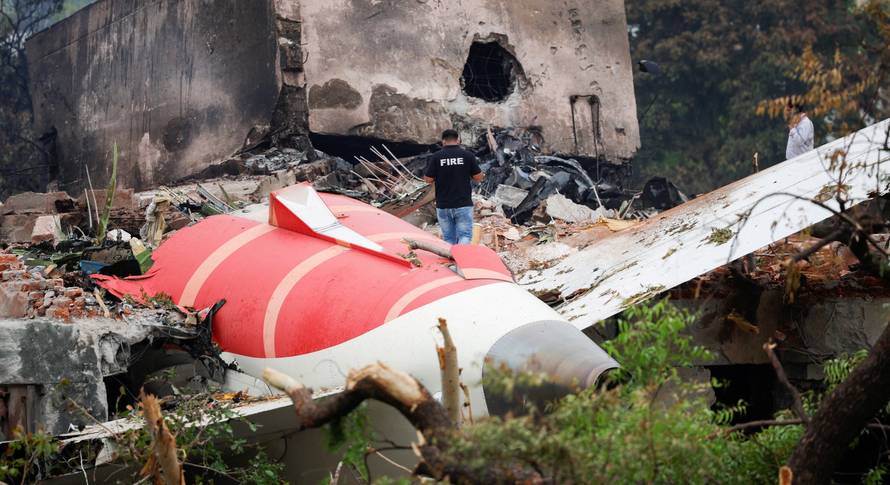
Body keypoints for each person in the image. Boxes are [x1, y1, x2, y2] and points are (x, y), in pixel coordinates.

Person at [423, 129, 484, 244]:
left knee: (448, 239)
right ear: (458, 140)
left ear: (443, 141)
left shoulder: (436, 157)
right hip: (463, 204)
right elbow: (478, 177)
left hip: (443, 205)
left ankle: (450, 261)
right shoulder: (467, 156)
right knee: (465, 236)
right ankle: (461, 261)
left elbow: (428, 180)